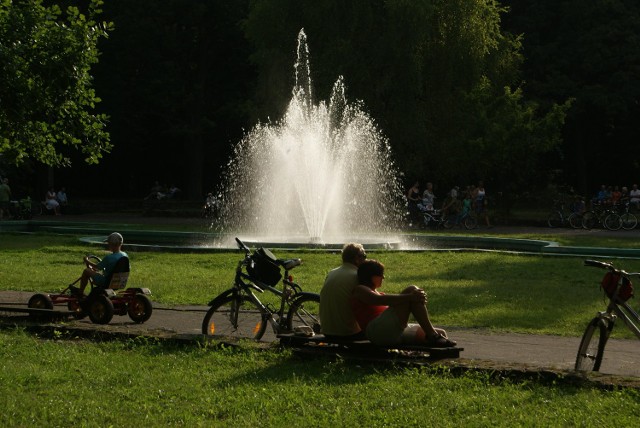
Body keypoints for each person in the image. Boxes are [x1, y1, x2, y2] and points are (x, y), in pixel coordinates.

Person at [351, 259, 455, 347]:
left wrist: (414, 298)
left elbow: (388, 299)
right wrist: (411, 296)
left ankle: (432, 335)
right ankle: (432, 335)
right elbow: (378, 300)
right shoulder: (360, 290)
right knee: (411, 289)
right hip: (376, 332)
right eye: (381, 275)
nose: (383, 278)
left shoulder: (379, 293)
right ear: (372, 276)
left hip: (393, 331)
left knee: (441, 333)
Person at [319, 243, 368, 339]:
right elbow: (369, 303)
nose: (366, 260)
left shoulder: (332, 272)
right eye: (364, 256)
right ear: (357, 259)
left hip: (327, 331)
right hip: (348, 333)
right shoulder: (357, 276)